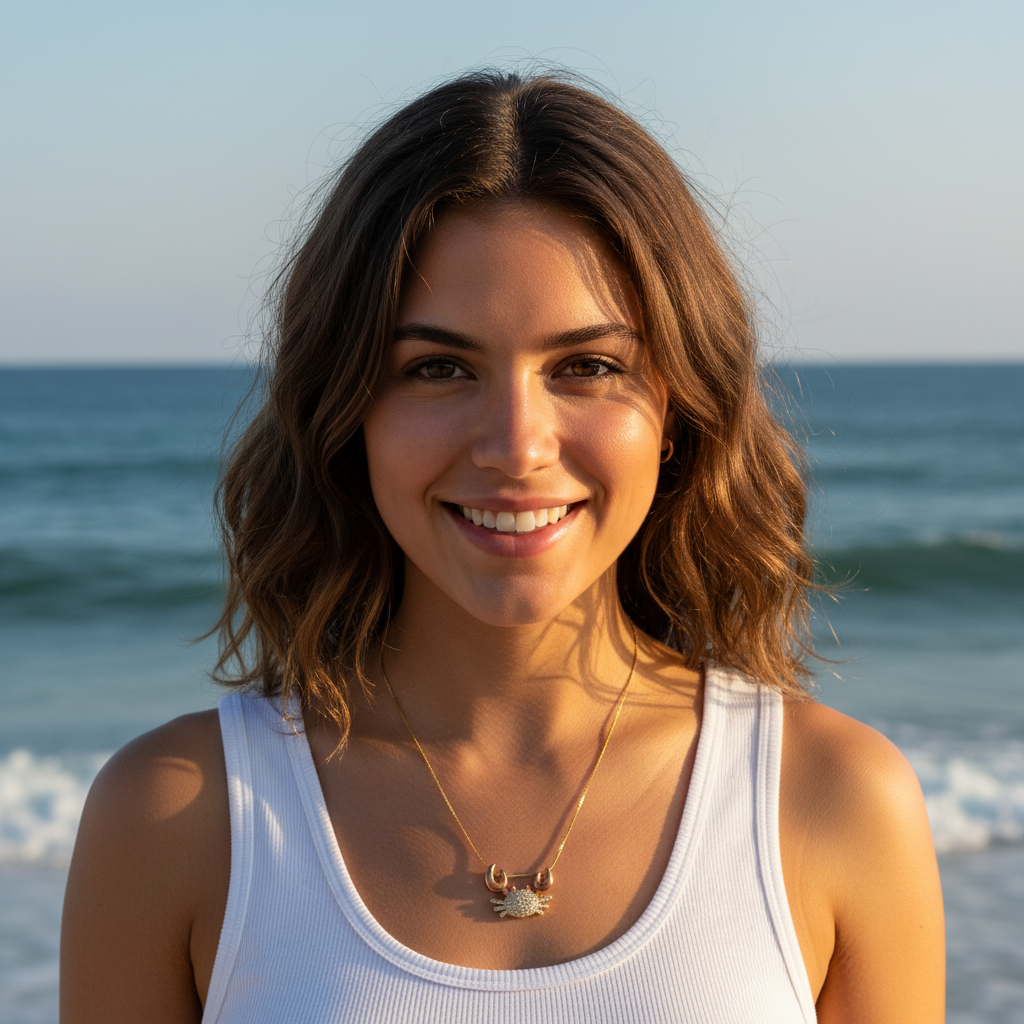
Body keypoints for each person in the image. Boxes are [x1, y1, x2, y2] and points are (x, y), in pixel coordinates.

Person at [60, 70, 944, 1022]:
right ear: (344, 410)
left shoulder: (832, 801)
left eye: (588, 367)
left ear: (681, 409)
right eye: (437, 368)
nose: (517, 445)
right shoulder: (176, 820)